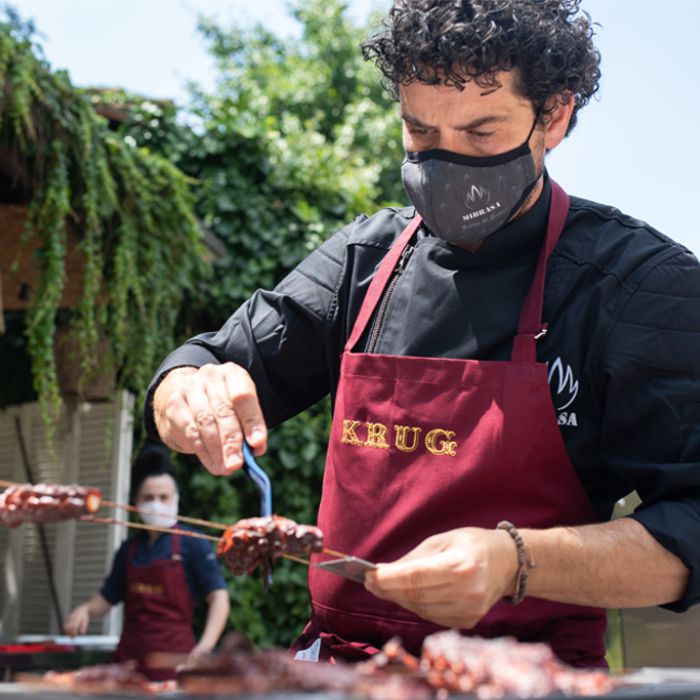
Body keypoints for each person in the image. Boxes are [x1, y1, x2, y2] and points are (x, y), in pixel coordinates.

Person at [145, 0, 700, 669]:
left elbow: (692, 526)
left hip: (529, 676)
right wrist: (185, 390)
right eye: (419, 132)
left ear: (554, 116)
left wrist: (517, 561)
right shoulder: (364, 260)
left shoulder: (637, 285)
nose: (445, 164)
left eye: (481, 134)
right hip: (339, 672)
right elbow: (206, 363)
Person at [64, 443, 230, 679]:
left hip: (175, 666)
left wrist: (204, 648)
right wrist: (86, 609)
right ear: (137, 502)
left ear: (176, 500)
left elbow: (218, 597)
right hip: (128, 666)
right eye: (149, 497)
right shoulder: (128, 549)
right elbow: (107, 597)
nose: (156, 503)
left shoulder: (193, 543)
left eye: (164, 497)